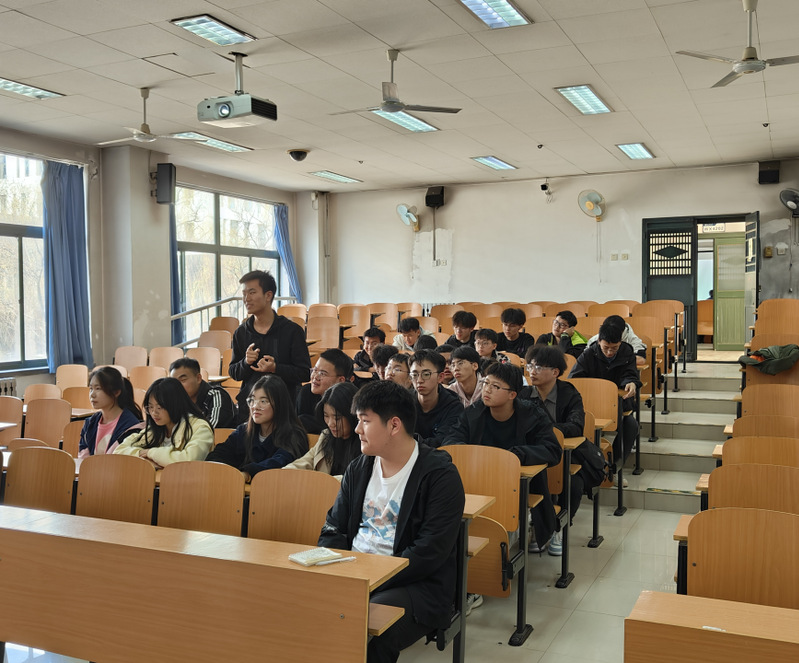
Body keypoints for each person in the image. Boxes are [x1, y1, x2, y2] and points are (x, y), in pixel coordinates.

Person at [318, 380, 465, 663]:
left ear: (394, 425)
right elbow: (333, 528)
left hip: (415, 584)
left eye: (365, 421)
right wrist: (337, 570)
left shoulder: (439, 476)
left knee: (368, 625)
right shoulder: (359, 468)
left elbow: (429, 552)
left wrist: (372, 579)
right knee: (298, 605)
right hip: (356, 573)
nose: (357, 429)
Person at [444, 362, 561, 552]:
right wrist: (468, 454)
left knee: (499, 531)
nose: (487, 390)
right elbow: (452, 441)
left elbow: (552, 450)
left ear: (512, 395)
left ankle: (507, 546)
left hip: (518, 483)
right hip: (478, 479)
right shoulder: (474, 412)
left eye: (495, 386)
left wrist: (516, 455)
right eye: (485, 383)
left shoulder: (533, 415)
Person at [518, 345, 585, 555]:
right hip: (534, 454)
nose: (532, 371)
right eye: (530, 366)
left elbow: (576, 426)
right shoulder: (524, 394)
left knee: (573, 484)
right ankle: (538, 526)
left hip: (564, 454)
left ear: (555, 372)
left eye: (538, 367)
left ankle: (559, 527)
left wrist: (546, 431)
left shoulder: (569, 393)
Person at [229, 270, 311, 423]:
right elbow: (234, 372)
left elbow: (304, 373)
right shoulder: (241, 332)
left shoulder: (292, 331)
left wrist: (275, 368)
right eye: (244, 294)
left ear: (268, 295)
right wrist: (245, 362)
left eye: (252, 292)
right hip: (250, 410)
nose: (246, 299)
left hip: (283, 410)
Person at [570, 322, 642, 476]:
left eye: (614, 348)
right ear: (598, 342)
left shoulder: (627, 352)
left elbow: (630, 373)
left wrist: (631, 382)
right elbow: (575, 380)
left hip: (617, 402)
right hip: (590, 404)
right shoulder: (588, 354)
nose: (609, 352)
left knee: (631, 425)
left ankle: (613, 470)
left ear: (620, 343)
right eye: (606, 348)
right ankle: (591, 469)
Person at [206, 375, 308, 481]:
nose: (255, 406)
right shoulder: (244, 431)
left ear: (279, 404)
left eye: (263, 401)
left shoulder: (294, 435)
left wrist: (247, 474)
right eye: (252, 400)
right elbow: (220, 454)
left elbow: (279, 462)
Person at [114, 377, 213, 467]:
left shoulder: (200, 428)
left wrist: (151, 453)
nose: (154, 413)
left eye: (159, 407)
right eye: (150, 407)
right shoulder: (153, 429)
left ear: (175, 405)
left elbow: (189, 460)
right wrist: (141, 454)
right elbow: (118, 451)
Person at [285, 381, 361, 480]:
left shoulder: (366, 444)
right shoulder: (326, 437)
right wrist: (284, 473)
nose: (330, 423)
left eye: (337, 418)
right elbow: (305, 462)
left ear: (353, 415)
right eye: (326, 416)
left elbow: (355, 480)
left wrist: (322, 482)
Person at [78, 366, 142, 458]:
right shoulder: (90, 423)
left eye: (98, 388)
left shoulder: (131, 426)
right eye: (91, 389)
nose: (92, 394)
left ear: (116, 392)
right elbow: (83, 456)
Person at [409, 349, 463, 448]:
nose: (419, 380)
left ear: (440, 377)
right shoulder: (403, 402)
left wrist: (409, 443)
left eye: (426, 374)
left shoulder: (454, 406)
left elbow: (442, 442)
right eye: (414, 375)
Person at [296, 349, 353, 434]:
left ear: (341, 380)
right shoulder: (306, 392)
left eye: (322, 374)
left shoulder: (348, 400)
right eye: (315, 370)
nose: (315, 377)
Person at [169, 357, 236, 428]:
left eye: (183, 380)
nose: (177, 386)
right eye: (174, 382)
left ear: (198, 378)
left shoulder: (216, 395)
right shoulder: (176, 400)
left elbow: (210, 429)